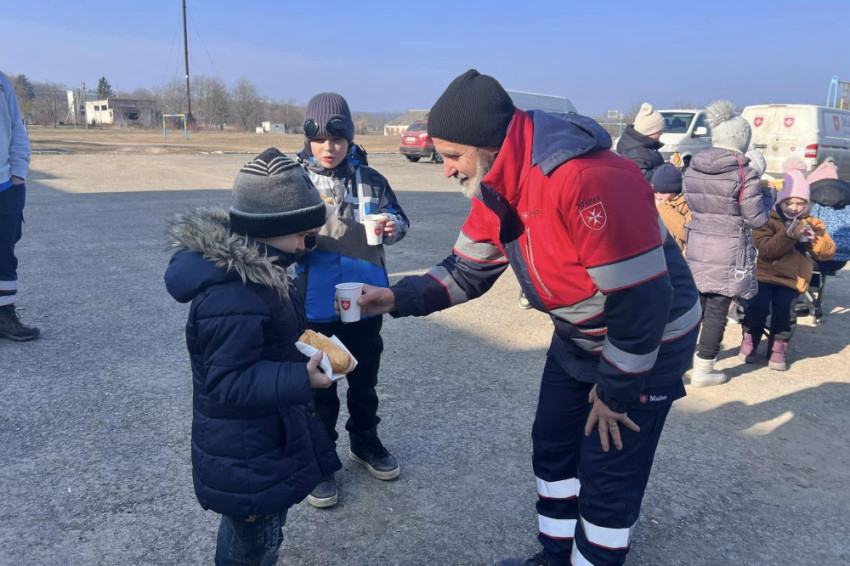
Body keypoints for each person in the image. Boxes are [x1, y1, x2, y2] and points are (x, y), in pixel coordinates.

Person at [355, 69, 700, 566]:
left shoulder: (587, 179)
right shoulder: (496, 183)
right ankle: (554, 555)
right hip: (580, 334)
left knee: (608, 471)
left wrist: (615, 390)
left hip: (647, 343)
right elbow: (467, 269)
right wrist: (394, 297)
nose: (446, 170)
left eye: (452, 156)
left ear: (488, 145)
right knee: (554, 445)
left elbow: (643, 300)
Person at [164, 148, 341, 566]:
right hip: (247, 454)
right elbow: (226, 381)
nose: (306, 243)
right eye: (301, 234)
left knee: (263, 533)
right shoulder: (233, 293)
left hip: (265, 440)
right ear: (267, 229)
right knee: (252, 546)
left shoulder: (265, 267)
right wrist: (300, 378)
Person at [295, 92, 410, 508]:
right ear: (308, 138)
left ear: (350, 137)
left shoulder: (373, 180)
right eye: (319, 139)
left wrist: (393, 226)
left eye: (338, 138)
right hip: (313, 303)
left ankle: (365, 441)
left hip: (365, 299)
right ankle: (321, 455)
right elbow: (273, 237)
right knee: (320, 385)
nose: (329, 147)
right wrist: (301, 240)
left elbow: (401, 218)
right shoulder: (294, 181)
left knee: (364, 379)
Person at [682, 100, 774, 387]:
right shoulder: (744, 172)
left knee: (694, 309)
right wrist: (768, 196)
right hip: (729, 248)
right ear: (743, 140)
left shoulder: (693, 167)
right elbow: (756, 219)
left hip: (697, 241)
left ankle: (680, 362)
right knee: (717, 312)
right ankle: (704, 369)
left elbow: (691, 202)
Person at [740, 160, 836, 370]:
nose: (794, 208)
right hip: (765, 274)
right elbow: (767, 249)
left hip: (793, 277)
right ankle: (750, 339)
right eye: (789, 203)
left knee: (785, 314)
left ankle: (778, 348)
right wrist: (789, 235)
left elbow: (828, 252)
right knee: (756, 308)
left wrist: (814, 240)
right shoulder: (767, 220)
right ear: (780, 201)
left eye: (800, 203)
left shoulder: (813, 223)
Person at [0, 70, 38, 341]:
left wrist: (18, 174)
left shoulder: (2, 81)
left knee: (5, 254)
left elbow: (15, 126)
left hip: (6, 185)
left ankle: (4, 314)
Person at [615, 102, 665, 182]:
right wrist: (665, 171)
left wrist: (668, 166)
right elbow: (639, 177)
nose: (661, 133)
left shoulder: (645, 147)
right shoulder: (635, 151)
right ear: (650, 131)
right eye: (659, 130)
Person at [652, 163, 690, 253]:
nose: (658, 195)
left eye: (663, 192)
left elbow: (685, 232)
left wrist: (662, 208)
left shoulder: (687, 204)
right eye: (655, 191)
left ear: (674, 191)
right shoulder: (653, 202)